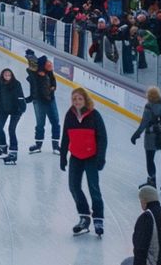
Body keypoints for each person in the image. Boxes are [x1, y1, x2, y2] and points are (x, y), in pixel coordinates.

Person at [60, 87, 108, 237]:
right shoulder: (70, 115)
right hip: (75, 156)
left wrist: (101, 157)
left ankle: (98, 219)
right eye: (74, 99)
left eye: (80, 99)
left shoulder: (94, 115)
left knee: (94, 187)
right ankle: (84, 217)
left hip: (91, 157)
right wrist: (62, 156)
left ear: (85, 100)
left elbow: (102, 138)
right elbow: (65, 137)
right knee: (73, 186)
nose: (77, 101)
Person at [130, 87, 161, 195]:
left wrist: (135, 135)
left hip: (151, 137)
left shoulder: (149, 107)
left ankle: (152, 181)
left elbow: (144, 124)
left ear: (149, 97)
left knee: (150, 159)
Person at [121, 185, 161, 265]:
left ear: (144, 201)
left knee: (126, 263)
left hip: (153, 262)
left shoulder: (146, 217)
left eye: (140, 201)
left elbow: (140, 248)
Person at [0, 68, 27, 164]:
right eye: (5, 75)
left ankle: (13, 152)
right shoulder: (0, 83)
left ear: (12, 75)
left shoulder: (17, 84)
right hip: (4, 109)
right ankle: (3, 148)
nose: (7, 77)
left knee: (11, 129)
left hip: (16, 110)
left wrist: (22, 109)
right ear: (2, 76)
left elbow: (21, 97)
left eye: (9, 75)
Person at [27, 56, 61, 154]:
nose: (50, 64)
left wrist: (53, 87)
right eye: (47, 63)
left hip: (50, 100)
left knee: (55, 121)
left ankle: (55, 146)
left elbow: (54, 81)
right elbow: (29, 71)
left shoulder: (50, 73)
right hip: (39, 102)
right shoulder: (35, 75)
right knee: (40, 123)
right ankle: (38, 145)